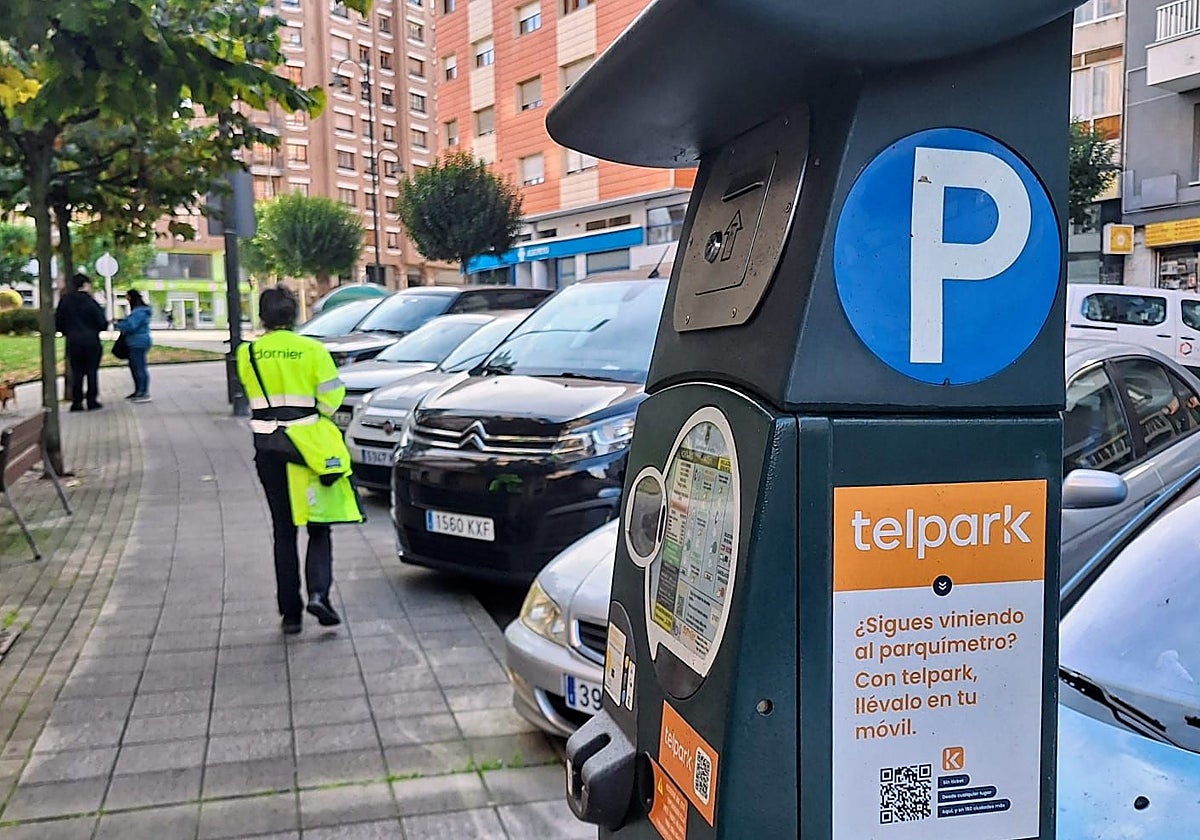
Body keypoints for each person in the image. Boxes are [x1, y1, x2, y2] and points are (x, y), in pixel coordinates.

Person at [236, 285, 351, 635]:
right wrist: (315, 416)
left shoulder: (248, 353)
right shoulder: (313, 350)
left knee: (283, 531)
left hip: (268, 447)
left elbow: (250, 392)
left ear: (262, 316)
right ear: (294, 314)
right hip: (308, 449)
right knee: (318, 524)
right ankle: (319, 593)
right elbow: (332, 397)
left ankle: (291, 614)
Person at [54, 273, 107, 412]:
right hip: (91, 341)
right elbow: (102, 322)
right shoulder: (90, 301)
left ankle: (76, 402)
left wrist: (66, 331)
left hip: (74, 342)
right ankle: (92, 400)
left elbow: (58, 321)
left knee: (77, 372)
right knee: (91, 371)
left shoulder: (65, 300)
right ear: (85, 285)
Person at [115, 289, 153, 402]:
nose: (127, 300)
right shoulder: (140, 311)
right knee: (135, 367)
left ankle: (143, 392)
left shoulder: (138, 312)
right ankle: (139, 391)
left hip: (137, 343)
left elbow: (131, 326)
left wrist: (119, 324)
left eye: (127, 297)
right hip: (137, 342)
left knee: (139, 367)